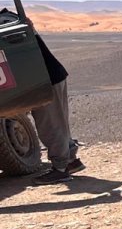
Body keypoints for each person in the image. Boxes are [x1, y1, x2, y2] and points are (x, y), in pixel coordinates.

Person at [31, 34, 84, 185]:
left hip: (44, 81)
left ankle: (60, 170)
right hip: (51, 77)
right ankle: (71, 161)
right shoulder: (11, 21)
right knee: (59, 123)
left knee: (50, 126)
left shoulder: (6, 25)